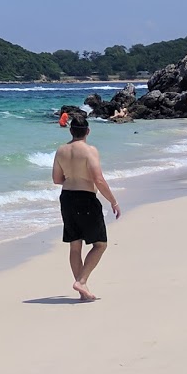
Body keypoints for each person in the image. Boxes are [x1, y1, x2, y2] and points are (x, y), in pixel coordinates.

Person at [52, 120, 120, 302]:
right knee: (100, 244)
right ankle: (81, 282)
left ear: (70, 131)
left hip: (66, 197)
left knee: (75, 246)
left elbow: (57, 179)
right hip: (86, 199)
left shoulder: (61, 150)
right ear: (87, 131)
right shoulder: (90, 151)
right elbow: (98, 179)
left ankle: (82, 291)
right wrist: (113, 201)